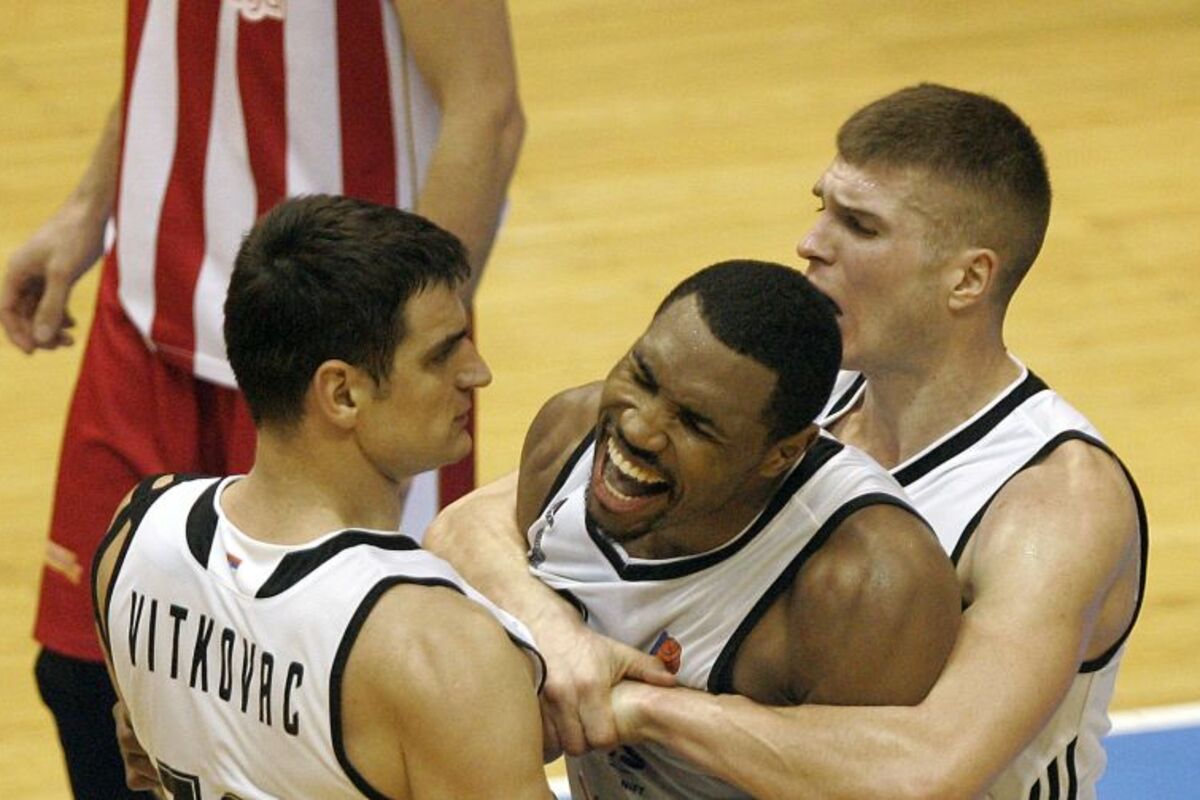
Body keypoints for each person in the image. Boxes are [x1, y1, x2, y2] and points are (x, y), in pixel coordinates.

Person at [1, 2, 524, 796]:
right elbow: (173, 48)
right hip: (152, 295)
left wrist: (413, 352)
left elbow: (486, 108)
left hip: (340, 346)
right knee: (84, 676)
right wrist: (89, 209)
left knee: (370, 699)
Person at [592, 84, 1149, 799]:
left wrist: (642, 708)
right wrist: (559, 633)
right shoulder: (795, 389)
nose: (811, 244)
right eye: (821, 207)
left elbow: (926, 771)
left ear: (968, 278)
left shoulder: (1055, 504)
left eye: (859, 226)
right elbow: (491, 519)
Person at [426, 259, 962, 797]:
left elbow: (882, 782)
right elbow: (462, 534)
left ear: (781, 455)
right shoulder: (568, 434)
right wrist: (552, 642)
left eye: (694, 423)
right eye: (642, 376)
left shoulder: (865, 584)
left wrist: (644, 709)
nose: (638, 428)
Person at [92, 194, 550, 799]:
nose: (477, 373)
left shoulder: (138, 532)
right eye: (444, 353)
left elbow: (141, 749)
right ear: (342, 393)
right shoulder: (437, 649)